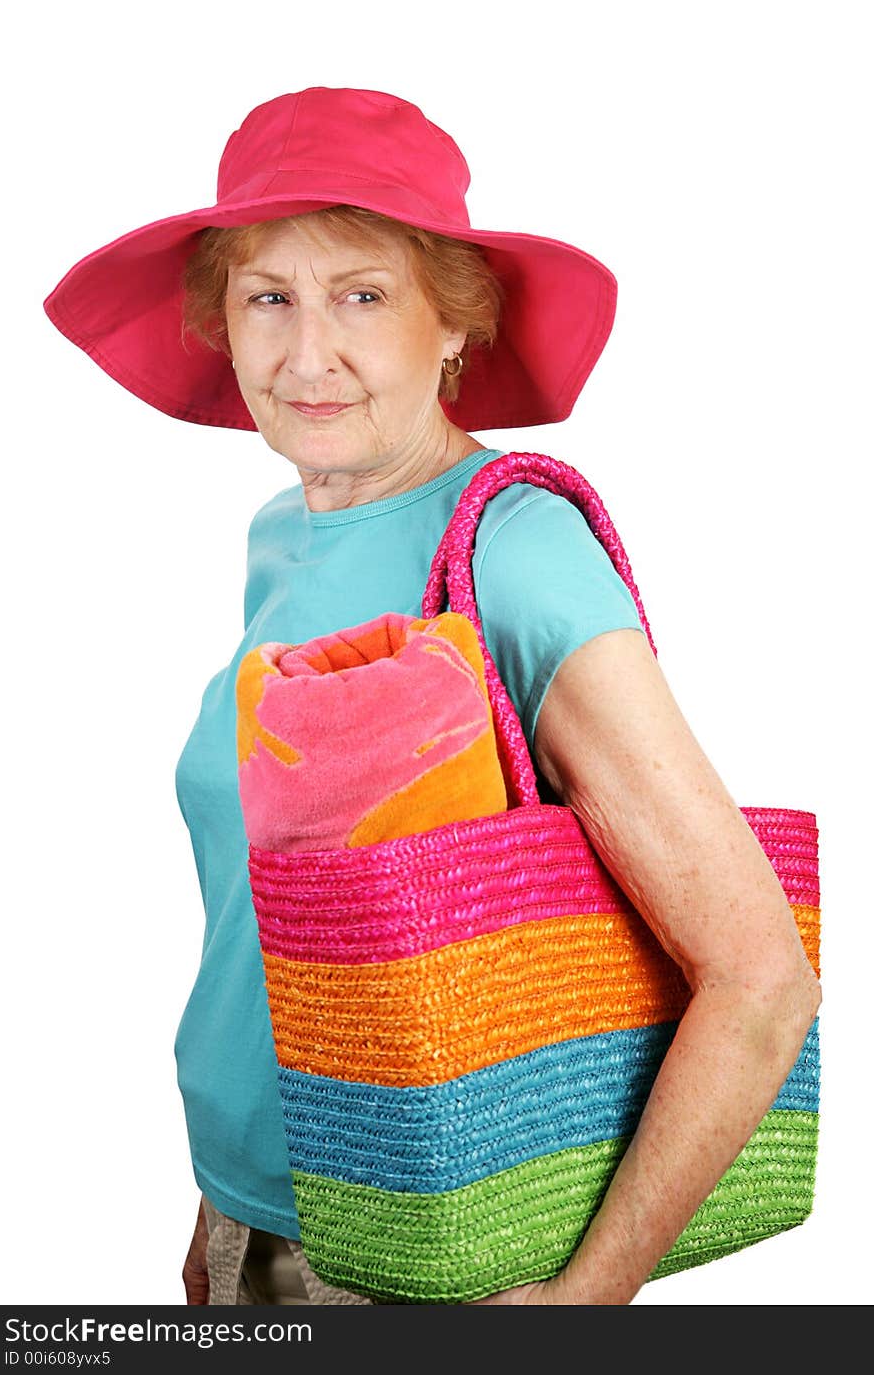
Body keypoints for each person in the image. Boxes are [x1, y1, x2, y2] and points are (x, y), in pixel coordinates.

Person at [43, 85, 821, 1307]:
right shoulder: (282, 531)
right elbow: (284, 910)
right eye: (268, 298)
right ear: (223, 322)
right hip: (257, 1221)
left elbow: (762, 979)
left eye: (361, 294)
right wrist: (223, 1205)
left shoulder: (514, 548)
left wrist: (582, 1302)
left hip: (421, 1253)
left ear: (454, 324)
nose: (308, 355)